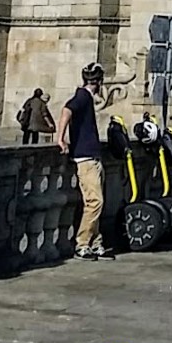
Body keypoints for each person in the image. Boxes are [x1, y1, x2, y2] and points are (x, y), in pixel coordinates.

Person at [56, 63, 107, 260]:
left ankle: (95, 241)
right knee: (95, 201)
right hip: (86, 158)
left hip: (92, 156)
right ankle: (82, 243)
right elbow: (66, 110)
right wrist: (60, 138)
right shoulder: (83, 96)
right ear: (99, 82)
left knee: (95, 202)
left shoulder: (85, 97)